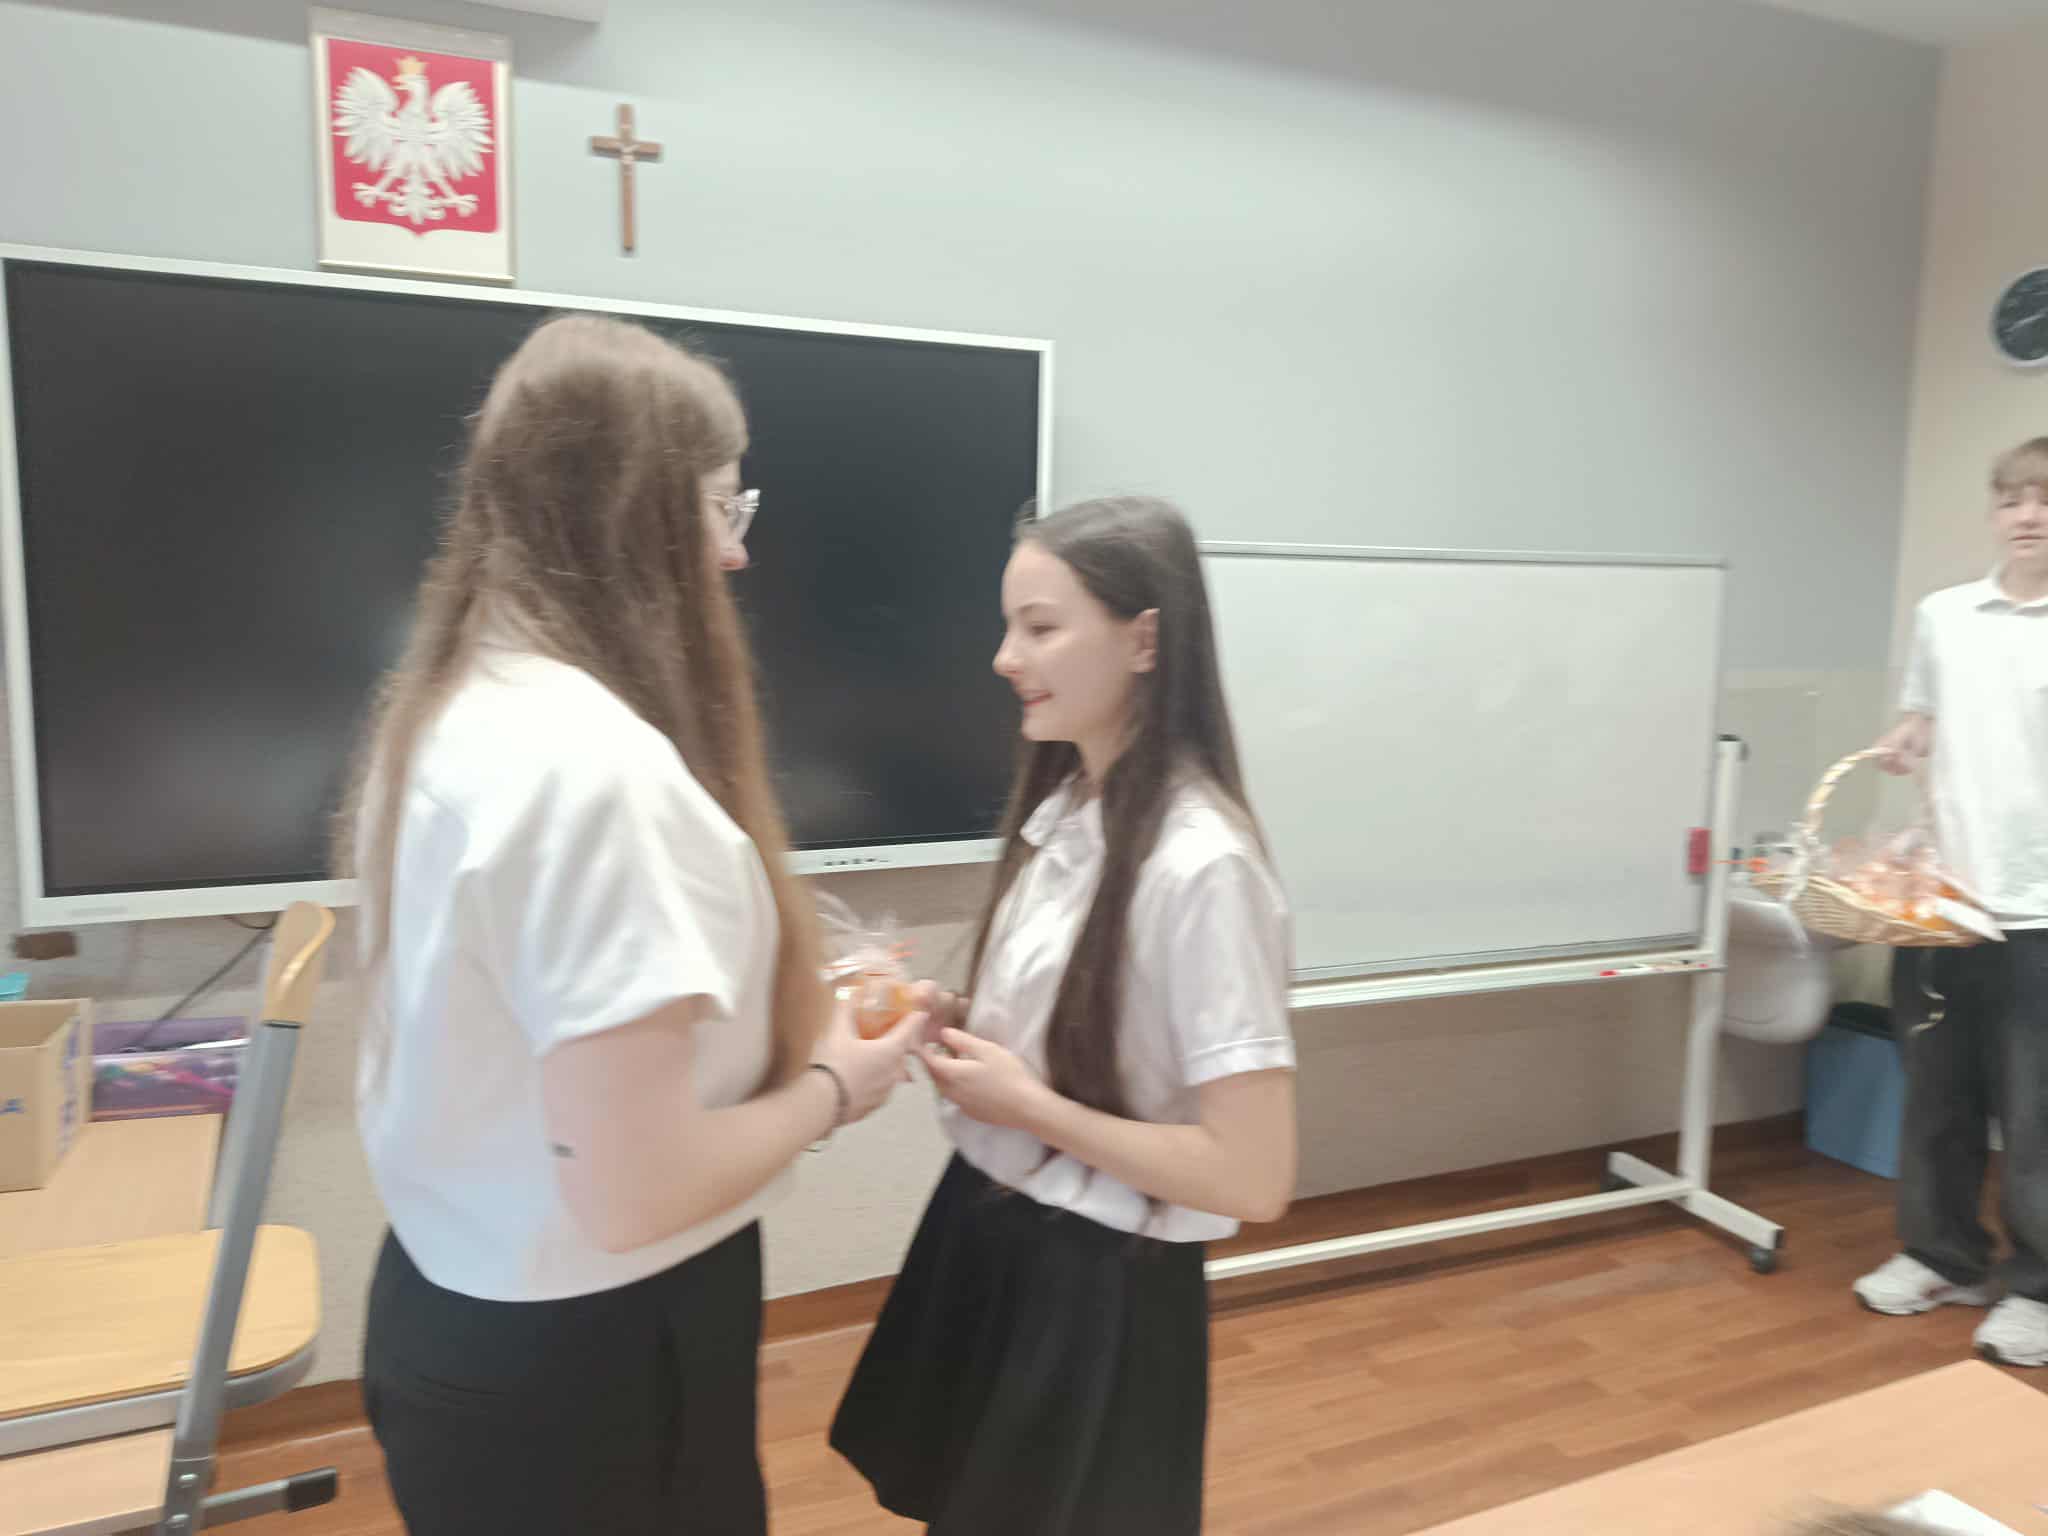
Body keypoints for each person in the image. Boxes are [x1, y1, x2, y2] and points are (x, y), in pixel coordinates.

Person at [342, 314, 924, 1534]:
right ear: (636, 513)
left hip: (463, 1310)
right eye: (720, 506)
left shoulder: (461, 709)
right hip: (589, 1360)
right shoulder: (595, 776)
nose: (735, 553)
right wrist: (836, 1082)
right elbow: (636, 1192)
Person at [830, 497, 1300, 1534]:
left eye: (1039, 628)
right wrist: (955, 1019)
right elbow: (1087, 1044)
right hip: (992, 1228)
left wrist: (1030, 1107)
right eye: (1009, 627)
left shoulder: (1203, 867)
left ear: (1144, 640)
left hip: (1099, 1285)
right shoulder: (1070, 812)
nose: (1005, 659)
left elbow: (1251, 1176)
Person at [1853, 436, 2048, 1368]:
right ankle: (1944, 1256)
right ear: (1995, 511)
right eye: (2013, 498)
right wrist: (1905, 744)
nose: (2029, 515)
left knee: (2038, 1113)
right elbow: (1925, 723)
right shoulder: (1946, 615)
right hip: (1941, 905)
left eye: (2046, 497)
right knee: (1937, 1096)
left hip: (2040, 912)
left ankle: (2039, 1289)